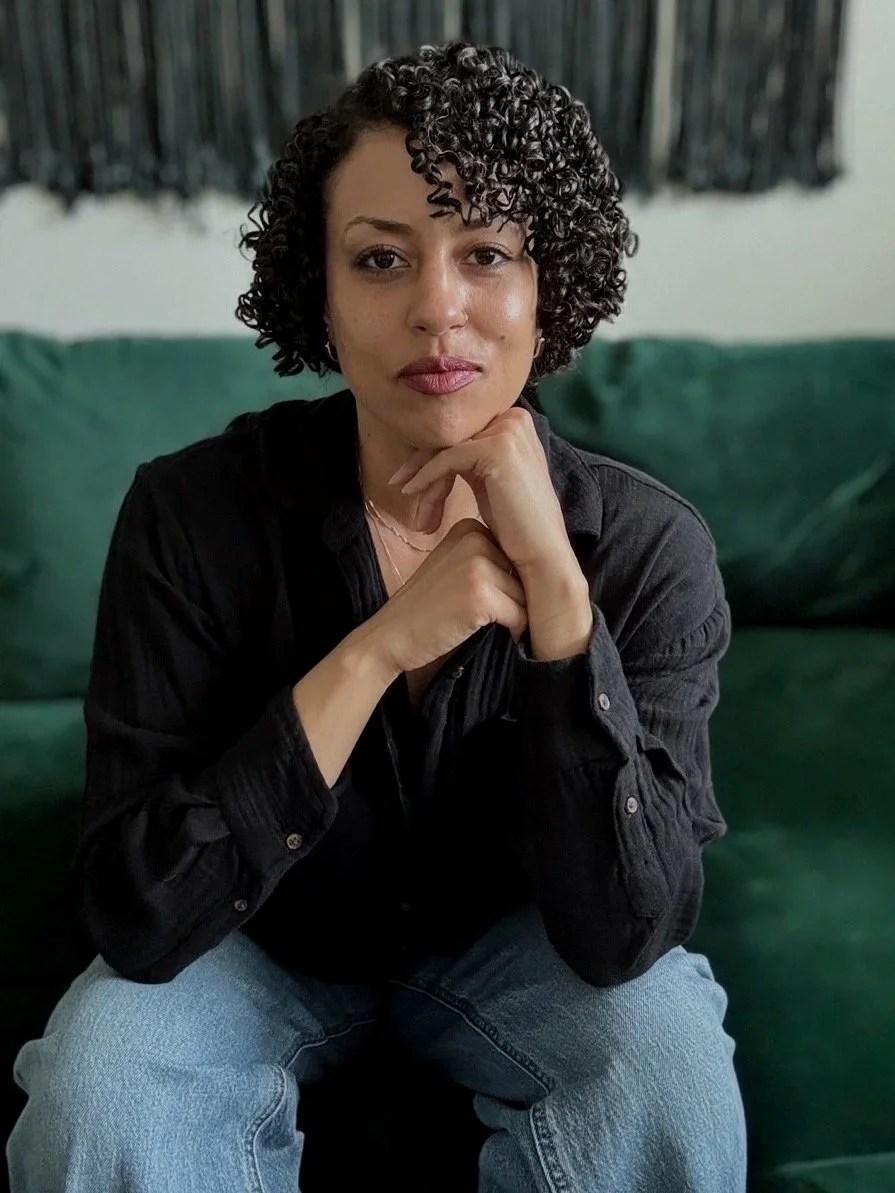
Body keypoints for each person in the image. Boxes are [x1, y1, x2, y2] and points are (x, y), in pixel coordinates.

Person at [7, 40, 747, 1193]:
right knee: (103, 1070)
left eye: (487, 254)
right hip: (255, 943)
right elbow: (137, 913)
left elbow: (625, 933)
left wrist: (554, 590)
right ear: (323, 287)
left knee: (666, 1058)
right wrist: (378, 648)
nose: (437, 309)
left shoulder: (652, 547)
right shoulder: (188, 511)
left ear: (550, 285)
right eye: (382, 258)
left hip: (526, 946)